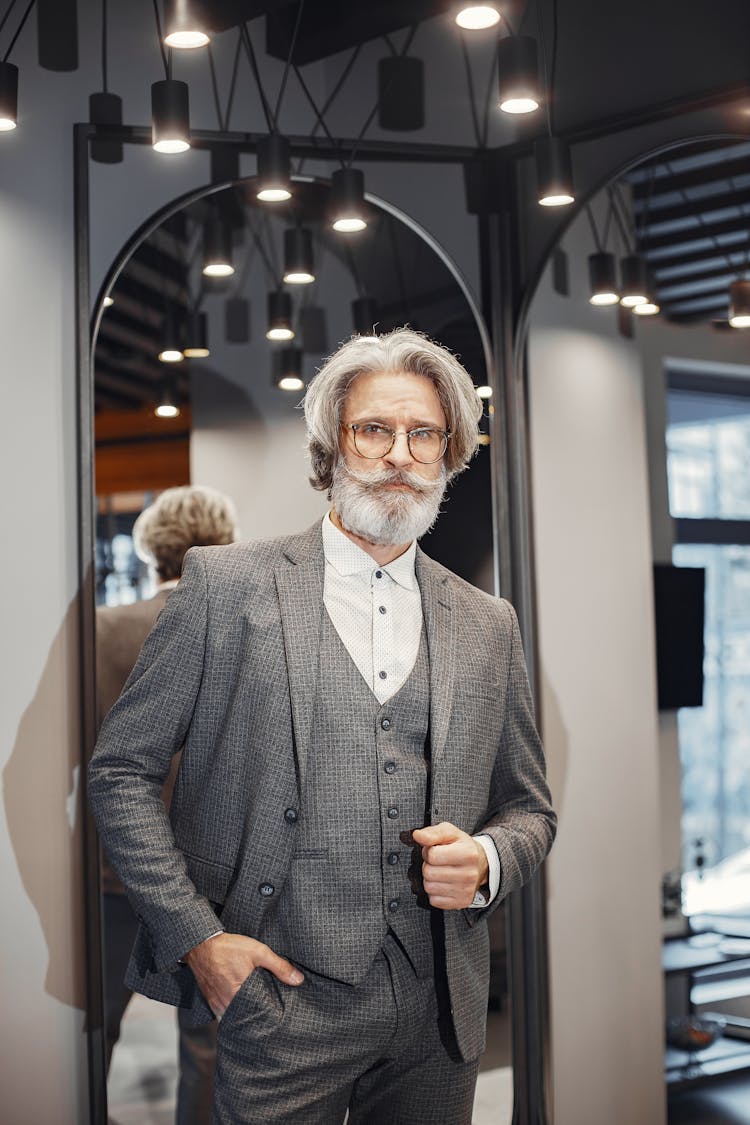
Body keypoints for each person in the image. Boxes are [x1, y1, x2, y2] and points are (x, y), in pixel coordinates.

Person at [89, 328, 556, 1125]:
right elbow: (120, 772)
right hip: (276, 1000)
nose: (400, 455)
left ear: (449, 454)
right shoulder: (224, 585)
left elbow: (531, 809)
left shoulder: (489, 622)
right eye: (374, 429)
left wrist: (487, 858)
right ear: (332, 444)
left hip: (438, 1009)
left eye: (425, 434)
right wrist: (200, 938)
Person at [96, 484, 239, 1124]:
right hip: (218, 870)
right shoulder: (243, 629)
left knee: (92, 1033)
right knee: (208, 1043)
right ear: (225, 545)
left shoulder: (102, 631)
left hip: (116, 869)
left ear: (151, 549)